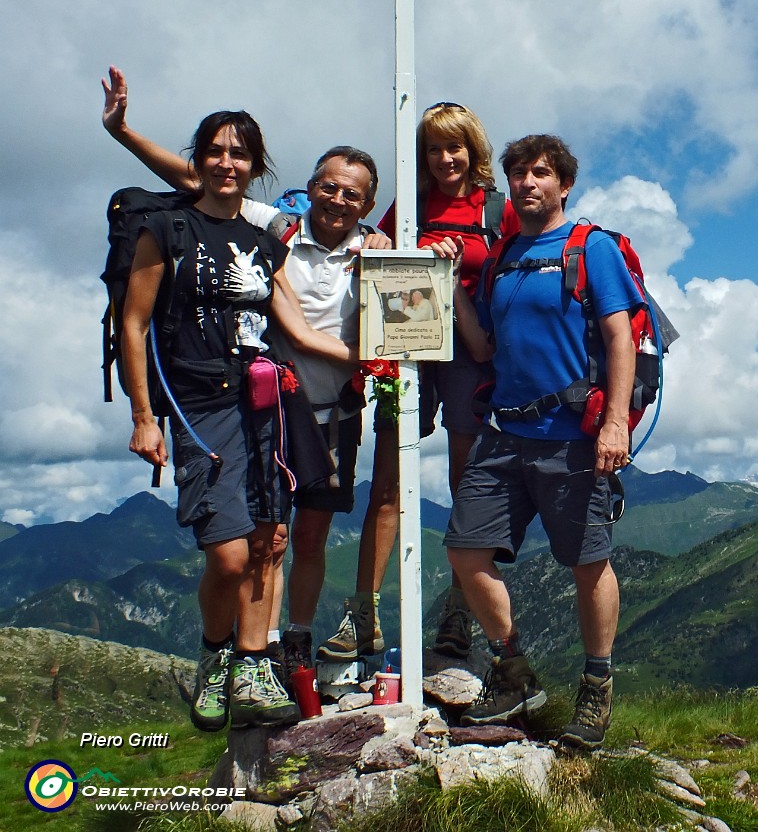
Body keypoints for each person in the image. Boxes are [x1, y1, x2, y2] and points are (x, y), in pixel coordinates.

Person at [103, 66, 389, 682]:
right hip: (236, 404)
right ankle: (228, 655)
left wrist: (381, 351)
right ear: (307, 188)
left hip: (305, 410)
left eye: (353, 194)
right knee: (244, 550)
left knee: (288, 541)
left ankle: (277, 654)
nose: (339, 200)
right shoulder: (254, 230)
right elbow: (197, 184)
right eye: (329, 187)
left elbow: (324, 325)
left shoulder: (346, 249)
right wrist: (123, 131)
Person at [447, 134, 642, 752]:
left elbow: (620, 339)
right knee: (465, 551)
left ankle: (597, 686)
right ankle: (514, 672)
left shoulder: (593, 248)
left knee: (589, 563)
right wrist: (449, 286)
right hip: (504, 435)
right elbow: (482, 347)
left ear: (563, 184)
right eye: (517, 175)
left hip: (572, 438)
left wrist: (614, 424)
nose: (527, 183)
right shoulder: (503, 256)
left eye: (540, 173)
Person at [317, 101, 518, 664]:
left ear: (473, 150)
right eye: (434, 147)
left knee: (466, 486)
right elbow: (372, 256)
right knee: (387, 481)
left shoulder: (494, 209)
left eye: (454, 146)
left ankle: (460, 614)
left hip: (470, 352)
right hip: (406, 340)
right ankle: (364, 616)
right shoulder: (410, 206)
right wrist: (380, 245)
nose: (445, 157)